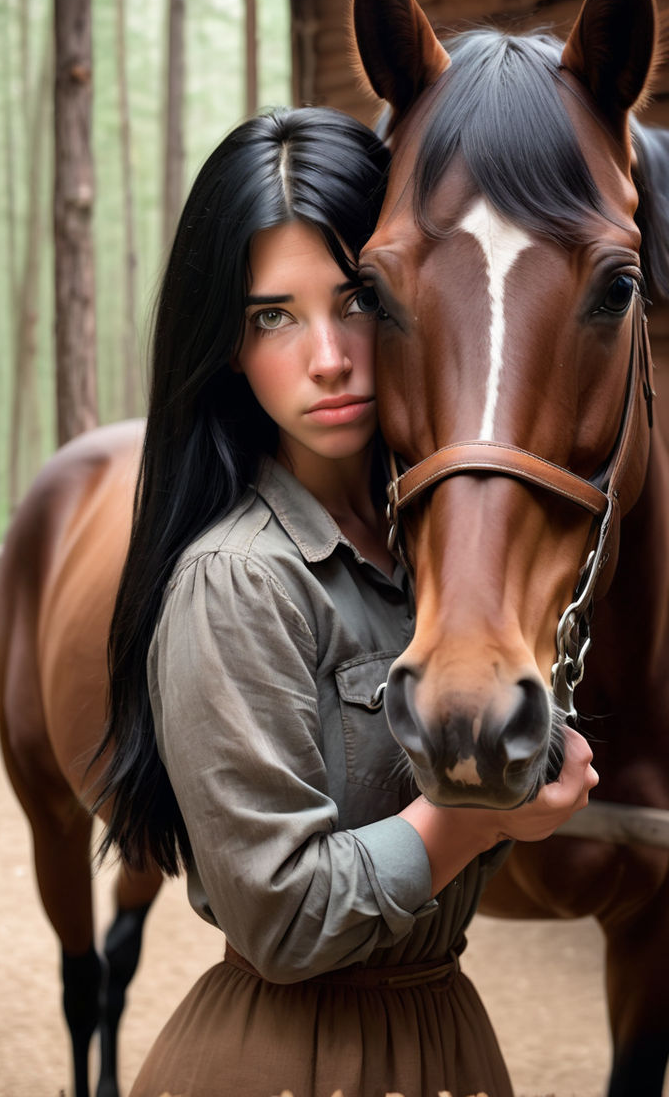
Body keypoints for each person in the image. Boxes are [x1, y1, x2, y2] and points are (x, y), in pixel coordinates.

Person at [94, 106, 598, 1097]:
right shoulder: (236, 579)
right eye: (273, 315)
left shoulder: (437, 562)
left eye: (356, 299)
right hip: (292, 1057)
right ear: (230, 349)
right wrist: (482, 821)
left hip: (445, 1030)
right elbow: (280, 915)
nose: (327, 356)